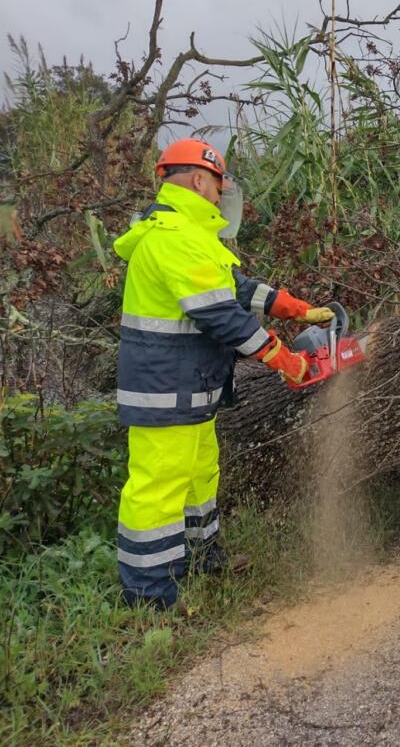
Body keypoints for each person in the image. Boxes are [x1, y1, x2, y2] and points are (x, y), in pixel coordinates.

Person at [112, 137, 332, 609]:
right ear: (197, 179)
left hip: (191, 388)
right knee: (159, 488)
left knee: (198, 476)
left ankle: (200, 557)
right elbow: (222, 316)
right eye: (217, 186)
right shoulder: (172, 238)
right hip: (164, 388)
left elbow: (236, 287)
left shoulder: (193, 238)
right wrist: (284, 359)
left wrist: (293, 307)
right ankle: (149, 595)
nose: (220, 196)